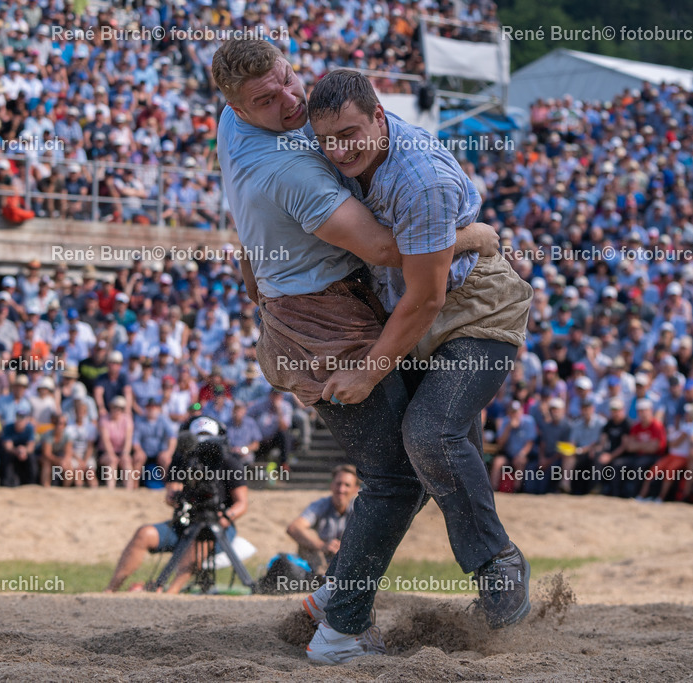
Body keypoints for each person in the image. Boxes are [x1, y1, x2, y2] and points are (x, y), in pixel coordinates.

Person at [212, 39, 513, 664]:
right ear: (236, 107)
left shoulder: (237, 126)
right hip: (325, 322)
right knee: (397, 476)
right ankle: (341, 632)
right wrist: (473, 236)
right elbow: (384, 249)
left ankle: (331, 605)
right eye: (267, 100)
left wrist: (254, 262)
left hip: (306, 309)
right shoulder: (292, 168)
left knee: (419, 449)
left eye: (289, 81)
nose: (289, 101)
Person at [105, 416, 249, 593]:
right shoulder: (183, 460)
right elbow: (171, 495)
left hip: (218, 527)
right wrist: (178, 496)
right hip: (186, 523)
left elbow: (241, 503)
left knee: (202, 541)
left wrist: (223, 518)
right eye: (199, 436)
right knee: (144, 534)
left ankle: (169, 592)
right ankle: (110, 590)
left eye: (207, 436)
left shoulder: (230, 462)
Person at [286, 464, 359, 574]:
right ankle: (321, 576)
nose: (341, 489)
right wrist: (322, 545)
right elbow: (293, 528)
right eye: (338, 484)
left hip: (349, 560)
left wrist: (345, 548)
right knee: (308, 533)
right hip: (319, 560)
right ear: (331, 485)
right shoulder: (320, 505)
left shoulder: (360, 509)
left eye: (347, 485)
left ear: (356, 489)